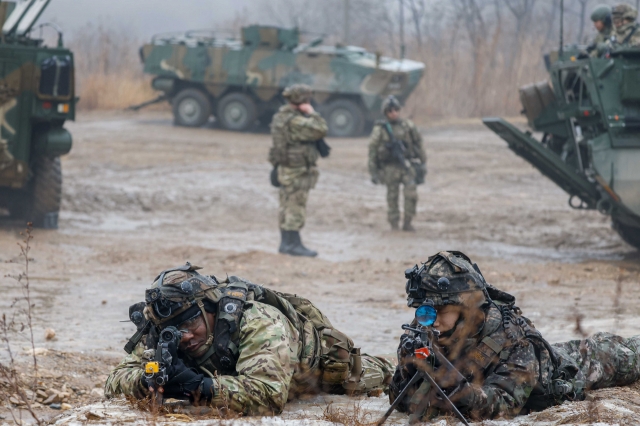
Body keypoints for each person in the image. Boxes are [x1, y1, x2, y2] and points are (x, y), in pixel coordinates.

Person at [105, 263, 395, 415]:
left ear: (210, 308)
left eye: (191, 322)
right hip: (242, 373)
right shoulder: (163, 331)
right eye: (174, 329)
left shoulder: (257, 321)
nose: (185, 336)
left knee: (366, 375)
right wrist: (147, 382)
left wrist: (199, 387)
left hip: (315, 369)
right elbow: (115, 380)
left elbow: (269, 395)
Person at [389, 251, 640, 422]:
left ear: (466, 309)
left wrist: (459, 390)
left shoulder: (511, 339)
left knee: (623, 355)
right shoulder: (424, 331)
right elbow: (400, 399)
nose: (428, 321)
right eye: (423, 312)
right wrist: (408, 373)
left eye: (437, 312)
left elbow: (503, 404)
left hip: (560, 373)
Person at [268, 84, 327, 257]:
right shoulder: (296, 120)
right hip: (296, 170)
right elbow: (321, 129)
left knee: (286, 205)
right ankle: (293, 245)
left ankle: (286, 243)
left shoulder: (281, 116)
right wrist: (312, 112)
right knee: (296, 206)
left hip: (284, 168)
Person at [368, 95, 426, 232]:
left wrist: (422, 163)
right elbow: (372, 152)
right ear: (385, 113)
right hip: (390, 167)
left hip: (406, 165)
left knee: (411, 195)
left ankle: (408, 222)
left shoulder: (408, 126)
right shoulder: (380, 130)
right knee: (392, 197)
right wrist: (374, 172)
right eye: (390, 110)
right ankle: (394, 224)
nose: (393, 113)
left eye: (395, 109)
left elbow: (419, 143)